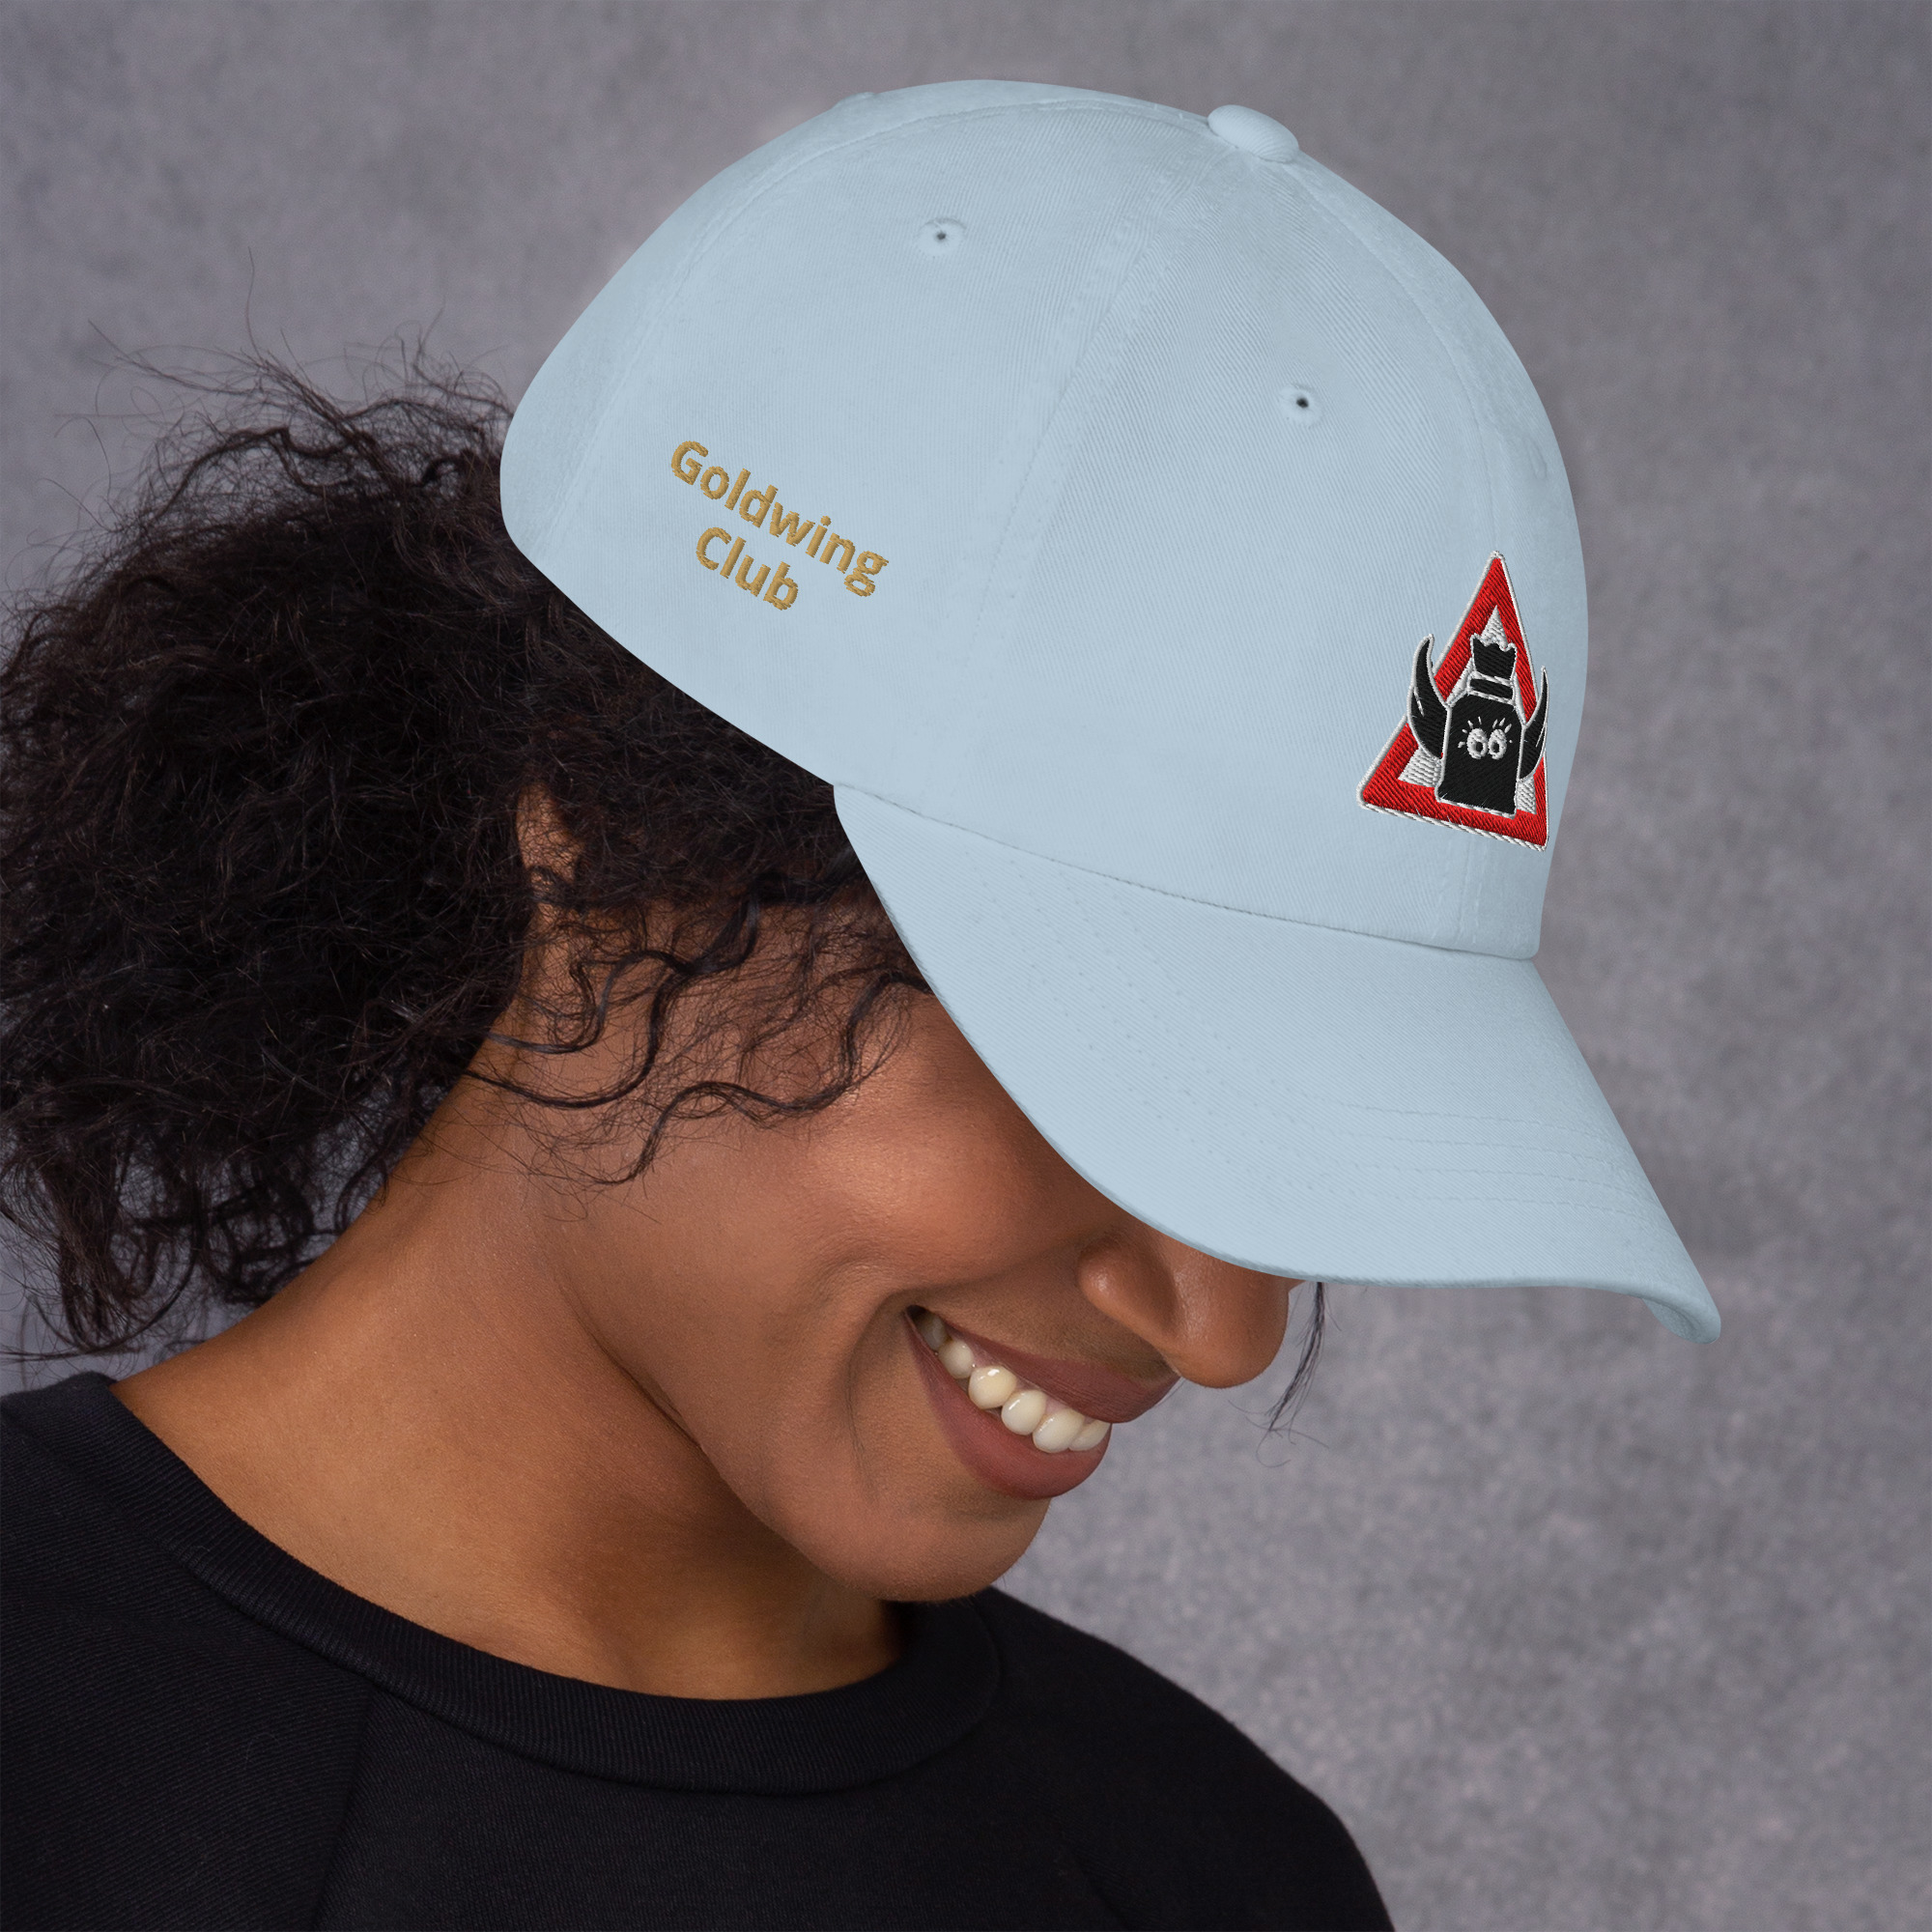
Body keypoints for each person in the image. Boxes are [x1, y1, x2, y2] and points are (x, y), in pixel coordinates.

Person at [0, 81, 1717, 1931]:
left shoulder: (1223, 1879)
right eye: (1099, 1063)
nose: (1224, 1329)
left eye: (1299, 1149)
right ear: (591, 829)